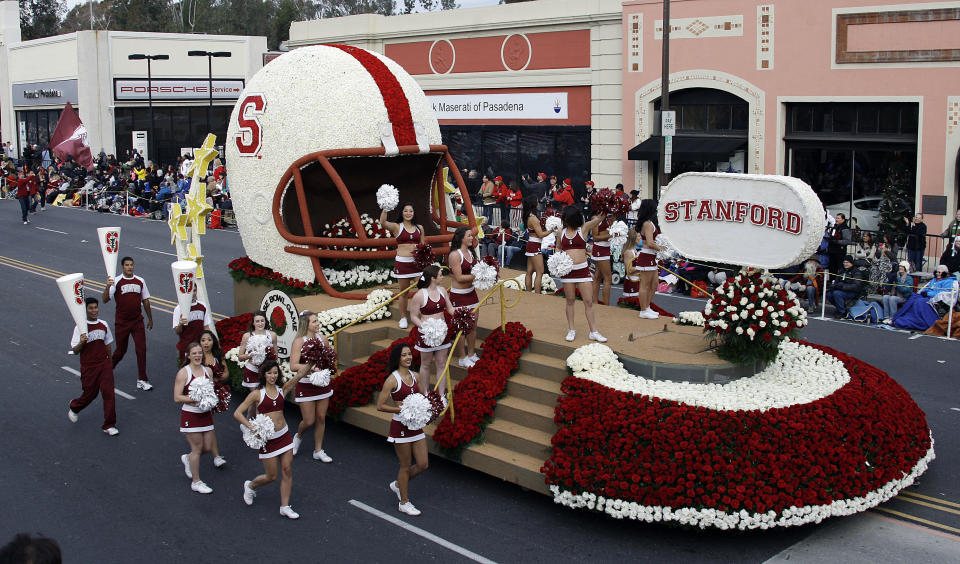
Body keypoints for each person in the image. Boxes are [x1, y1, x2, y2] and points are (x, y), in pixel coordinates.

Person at [235, 360, 310, 520]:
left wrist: (315, 358)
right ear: (264, 374)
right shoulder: (257, 394)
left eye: (275, 372)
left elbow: (300, 374)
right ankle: (250, 485)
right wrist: (252, 427)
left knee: (287, 470)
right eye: (269, 373)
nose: (272, 376)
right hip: (268, 440)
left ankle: (285, 506)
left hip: (284, 436)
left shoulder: (282, 389)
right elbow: (238, 413)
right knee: (272, 476)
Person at [376, 343, 429, 517]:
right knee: (405, 466)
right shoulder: (392, 380)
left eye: (409, 354)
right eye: (404, 355)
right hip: (400, 426)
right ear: (397, 358)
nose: (408, 358)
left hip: (415, 425)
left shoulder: (416, 376)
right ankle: (404, 502)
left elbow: (423, 397)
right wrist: (399, 409)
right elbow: (380, 406)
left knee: (423, 464)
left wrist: (429, 406)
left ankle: (399, 485)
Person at [288, 310, 335, 463]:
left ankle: (318, 450)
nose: (317, 324)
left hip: (322, 384)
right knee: (309, 421)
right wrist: (311, 367)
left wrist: (327, 367)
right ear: (306, 325)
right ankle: (298, 436)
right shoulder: (299, 341)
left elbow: (329, 359)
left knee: (321, 418)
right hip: (306, 385)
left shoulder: (323, 339)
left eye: (317, 321)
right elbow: (293, 365)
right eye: (314, 321)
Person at [556, 205, 608, 342]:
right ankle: (571, 329)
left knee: (588, 301)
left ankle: (594, 331)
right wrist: (557, 260)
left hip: (582, 270)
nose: (565, 220)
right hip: (567, 272)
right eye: (564, 218)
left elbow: (598, 220)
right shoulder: (561, 232)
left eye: (566, 218)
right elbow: (558, 248)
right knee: (570, 300)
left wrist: (606, 208)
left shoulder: (583, 229)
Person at [67, 297, 118, 436]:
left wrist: (110, 363)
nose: (94, 310)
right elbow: (76, 350)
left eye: (96, 307)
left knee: (108, 393)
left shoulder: (103, 325)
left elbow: (108, 344)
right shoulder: (80, 327)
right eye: (91, 308)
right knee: (90, 394)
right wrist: (82, 342)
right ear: (85, 310)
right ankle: (74, 406)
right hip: (89, 367)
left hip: (104, 364)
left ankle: (109, 424)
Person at [102, 257, 154, 391]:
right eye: (127, 265)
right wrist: (108, 286)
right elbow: (105, 300)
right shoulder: (116, 281)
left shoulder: (140, 281)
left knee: (141, 349)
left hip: (137, 321)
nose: (130, 267)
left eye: (131, 265)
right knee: (121, 350)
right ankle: (108, 370)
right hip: (122, 323)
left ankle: (142, 379)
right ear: (122, 267)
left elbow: (146, 301)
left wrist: (150, 318)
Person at [174, 343, 218, 494]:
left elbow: (211, 390)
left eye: (200, 353)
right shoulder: (183, 373)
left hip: (205, 414)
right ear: (188, 355)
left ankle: (188, 458)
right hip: (191, 414)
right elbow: (177, 397)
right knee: (197, 448)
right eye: (194, 353)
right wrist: (193, 399)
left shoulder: (208, 371)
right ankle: (196, 481)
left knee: (207, 447)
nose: (198, 355)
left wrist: (211, 400)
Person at [409, 264, 455, 395]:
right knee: (426, 364)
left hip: (442, 332)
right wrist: (425, 328)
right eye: (440, 275)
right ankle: (426, 393)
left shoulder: (443, 291)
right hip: (426, 334)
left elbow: (450, 308)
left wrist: (462, 314)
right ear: (433, 278)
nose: (442, 277)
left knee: (441, 363)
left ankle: (441, 395)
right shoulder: (419, 295)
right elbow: (413, 316)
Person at [380, 202, 425, 330]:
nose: (408, 213)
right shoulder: (397, 227)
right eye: (406, 211)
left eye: (411, 211)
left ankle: (422, 315)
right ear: (402, 213)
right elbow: (383, 223)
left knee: (423, 291)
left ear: (414, 213)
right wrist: (385, 208)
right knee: (404, 293)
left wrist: (425, 260)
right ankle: (403, 317)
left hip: (417, 265)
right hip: (403, 264)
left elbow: (423, 245)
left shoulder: (419, 228)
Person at [447, 227, 481, 369]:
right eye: (468, 236)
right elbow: (460, 277)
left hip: (472, 294)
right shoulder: (455, 255)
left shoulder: (471, 253)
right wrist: (479, 276)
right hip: (459, 296)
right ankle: (462, 357)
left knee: (472, 326)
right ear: (461, 237)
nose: (471, 238)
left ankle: (472, 354)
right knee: (461, 329)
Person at [237, 311, 279, 417]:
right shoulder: (247, 336)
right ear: (253, 323)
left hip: (266, 373)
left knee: (259, 401)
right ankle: (249, 427)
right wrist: (251, 355)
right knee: (257, 400)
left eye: (262, 321)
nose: (260, 323)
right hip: (252, 371)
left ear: (265, 322)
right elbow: (240, 357)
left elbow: (276, 355)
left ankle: (257, 425)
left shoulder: (272, 335)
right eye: (257, 321)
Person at [198, 329, 227, 468]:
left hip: (214, 394)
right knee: (206, 427)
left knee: (208, 426)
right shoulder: (197, 357)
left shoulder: (218, 355)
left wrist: (218, 377)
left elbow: (226, 373)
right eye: (203, 340)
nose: (206, 343)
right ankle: (210, 455)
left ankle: (214, 455)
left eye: (209, 340)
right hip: (200, 396)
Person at [635, 199, 667, 319]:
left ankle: (647, 307)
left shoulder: (649, 223)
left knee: (654, 284)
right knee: (644, 285)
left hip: (651, 257)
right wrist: (662, 249)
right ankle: (643, 310)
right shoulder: (648, 224)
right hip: (647, 256)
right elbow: (650, 242)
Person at [172, 284, 215, 364]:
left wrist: (211, 342)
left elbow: (206, 327)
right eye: (190, 291)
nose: (193, 293)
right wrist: (181, 324)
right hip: (186, 348)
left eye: (194, 290)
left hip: (200, 347)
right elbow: (177, 331)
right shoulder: (179, 309)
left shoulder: (202, 306)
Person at [523, 196, 549, 294]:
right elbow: (541, 234)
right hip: (535, 244)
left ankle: (529, 293)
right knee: (540, 271)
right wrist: (551, 230)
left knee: (529, 271)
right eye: (537, 202)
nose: (538, 204)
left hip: (531, 243)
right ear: (534, 204)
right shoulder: (533, 218)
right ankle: (537, 295)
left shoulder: (528, 216)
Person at [591, 211, 614, 305]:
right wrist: (612, 235)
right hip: (600, 249)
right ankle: (606, 304)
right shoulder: (595, 218)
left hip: (605, 248)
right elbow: (595, 237)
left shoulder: (608, 217)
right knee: (608, 278)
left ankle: (594, 302)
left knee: (597, 277)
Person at [621, 228, 640, 301]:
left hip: (637, 279)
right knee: (632, 303)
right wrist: (642, 267)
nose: (640, 238)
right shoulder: (628, 252)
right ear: (633, 238)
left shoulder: (634, 250)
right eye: (638, 236)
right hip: (632, 281)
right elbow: (629, 270)